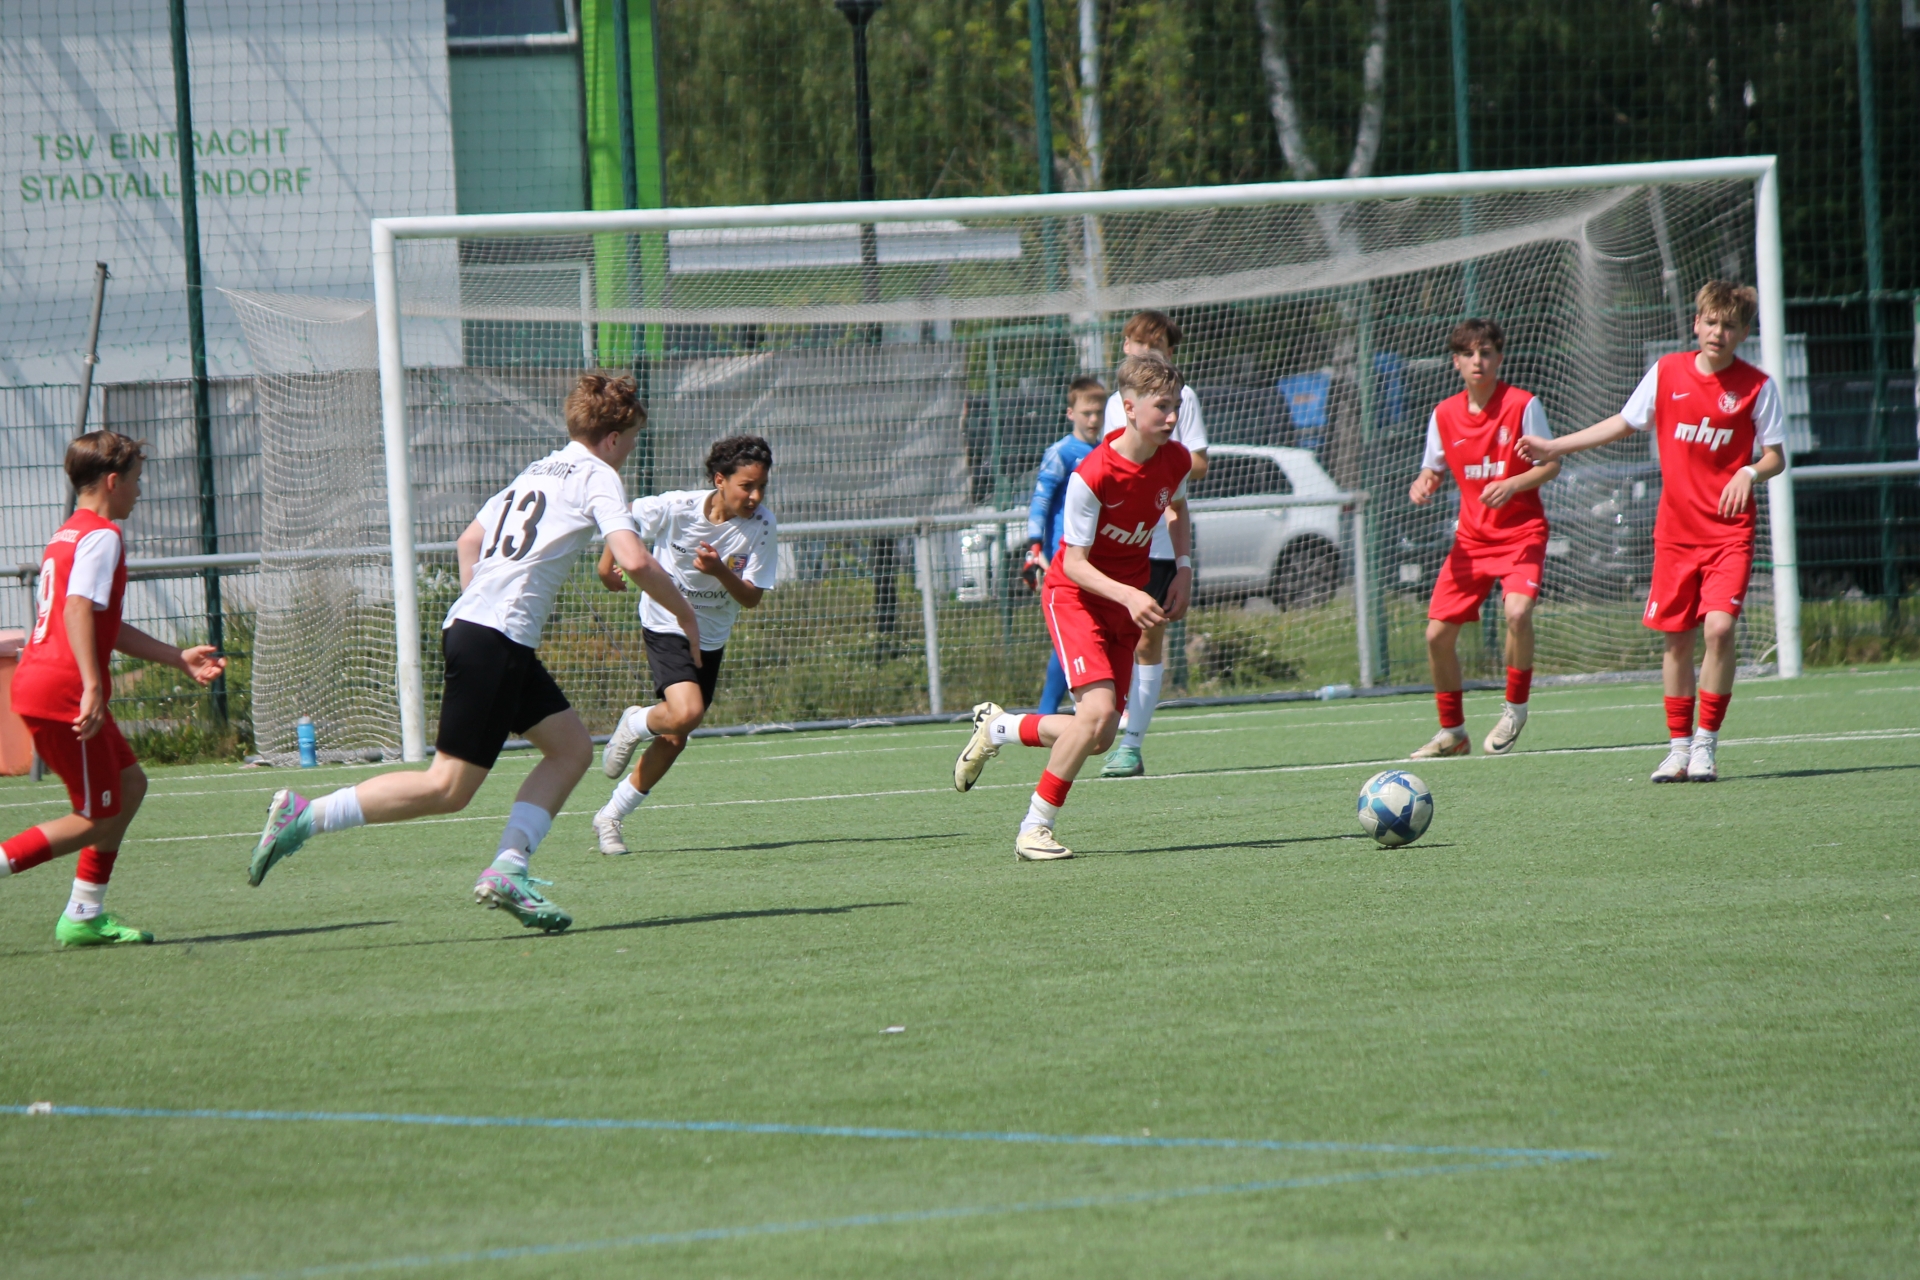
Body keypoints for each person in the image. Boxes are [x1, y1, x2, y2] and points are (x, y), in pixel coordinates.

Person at [247, 374, 701, 931]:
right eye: (630, 439)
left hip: (483, 631)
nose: (629, 450)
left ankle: (510, 866)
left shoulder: (539, 469)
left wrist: (481, 606)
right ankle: (306, 815)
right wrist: (684, 614)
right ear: (611, 438)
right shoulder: (598, 474)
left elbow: (469, 540)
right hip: (495, 638)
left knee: (570, 749)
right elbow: (633, 559)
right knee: (447, 786)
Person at [1518, 280, 1786, 783]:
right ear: (1696, 323)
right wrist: (1555, 447)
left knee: (1719, 629)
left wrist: (1748, 472)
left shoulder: (1757, 386)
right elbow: (1623, 422)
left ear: (1744, 333)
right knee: (1676, 641)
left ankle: (1705, 744)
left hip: (1729, 534)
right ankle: (1678, 749)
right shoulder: (1667, 372)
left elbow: (1776, 456)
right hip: (1676, 535)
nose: (1718, 332)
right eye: (1711, 322)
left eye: (1730, 325)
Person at [953, 353, 1193, 860]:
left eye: (1176, 405)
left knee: (1100, 737)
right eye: (1162, 406)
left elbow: (1177, 506)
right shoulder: (1094, 473)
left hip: (1123, 603)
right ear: (1129, 408)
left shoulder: (1174, 459)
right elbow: (1076, 565)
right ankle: (1033, 828)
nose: (1172, 417)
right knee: (1097, 713)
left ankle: (999, 727)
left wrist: (1184, 568)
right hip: (1075, 597)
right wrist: (1131, 593)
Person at [1, 431, 226, 946]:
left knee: (129, 787)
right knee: (95, 819)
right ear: (111, 481)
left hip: (44, 683)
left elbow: (100, 620)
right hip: (61, 690)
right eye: (135, 481)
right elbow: (78, 609)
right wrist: (92, 686)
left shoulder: (67, 535)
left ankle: (84, 912)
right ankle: (72, 910)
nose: (139, 492)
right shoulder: (103, 536)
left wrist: (176, 657)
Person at [593, 435, 778, 855]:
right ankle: (636, 723)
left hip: (711, 636)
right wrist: (606, 566)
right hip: (666, 622)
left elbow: (751, 598)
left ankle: (610, 816)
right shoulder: (678, 507)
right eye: (746, 486)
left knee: (677, 734)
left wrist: (718, 571)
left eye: (762, 487)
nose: (755, 496)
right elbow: (623, 518)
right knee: (687, 713)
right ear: (719, 480)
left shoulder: (763, 526)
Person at [1407, 318, 1560, 759]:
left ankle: (1515, 709)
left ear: (1499, 357)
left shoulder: (1523, 405)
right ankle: (1453, 733)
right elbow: (1433, 467)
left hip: (1521, 534)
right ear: (1455, 362)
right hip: (1471, 542)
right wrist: (1425, 481)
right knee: (1436, 636)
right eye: (1469, 354)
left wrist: (1513, 483)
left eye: (1486, 352)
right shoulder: (1443, 414)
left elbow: (1551, 464)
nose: (1478, 361)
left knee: (1518, 611)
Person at [1097, 310, 1207, 778]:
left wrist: (1162, 465)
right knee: (1107, 638)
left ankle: (1132, 745)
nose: (1147, 352)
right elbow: (1109, 464)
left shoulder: (1182, 400)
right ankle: (1099, 719)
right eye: (1140, 343)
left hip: (1157, 544)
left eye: (1157, 345)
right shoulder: (1115, 404)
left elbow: (1195, 465)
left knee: (1147, 640)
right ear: (1125, 347)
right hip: (1114, 544)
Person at [1021, 375, 1108, 715]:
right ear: (1070, 413)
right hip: (1065, 558)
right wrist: (1035, 548)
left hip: (1098, 557)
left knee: (1094, 632)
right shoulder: (1061, 452)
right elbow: (1041, 500)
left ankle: (1080, 708)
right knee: (1072, 636)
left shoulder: (1106, 452)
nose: (1093, 419)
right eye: (1086, 412)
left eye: (1098, 412)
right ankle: (1046, 714)